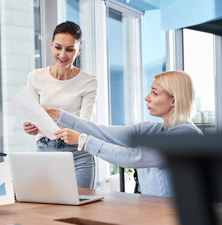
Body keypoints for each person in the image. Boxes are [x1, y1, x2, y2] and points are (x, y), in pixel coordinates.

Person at [42, 71, 203, 197]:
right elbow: (103, 132)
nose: (147, 98)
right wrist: (58, 115)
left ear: (173, 101)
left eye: (154, 93)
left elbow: (134, 157)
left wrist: (84, 141)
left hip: (179, 221)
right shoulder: (150, 130)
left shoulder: (187, 136)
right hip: (153, 213)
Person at [23, 21, 98, 189]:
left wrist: (54, 117)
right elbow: (33, 115)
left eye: (69, 49)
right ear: (51, 45)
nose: (62, 54)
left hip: (78, 153)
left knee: (82, 208)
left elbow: (85, 123)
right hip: (45, 150)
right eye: (58, 47)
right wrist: (31, 126)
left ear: (78, 50)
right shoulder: (35, 77)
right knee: (47, 208)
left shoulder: (89, 82)